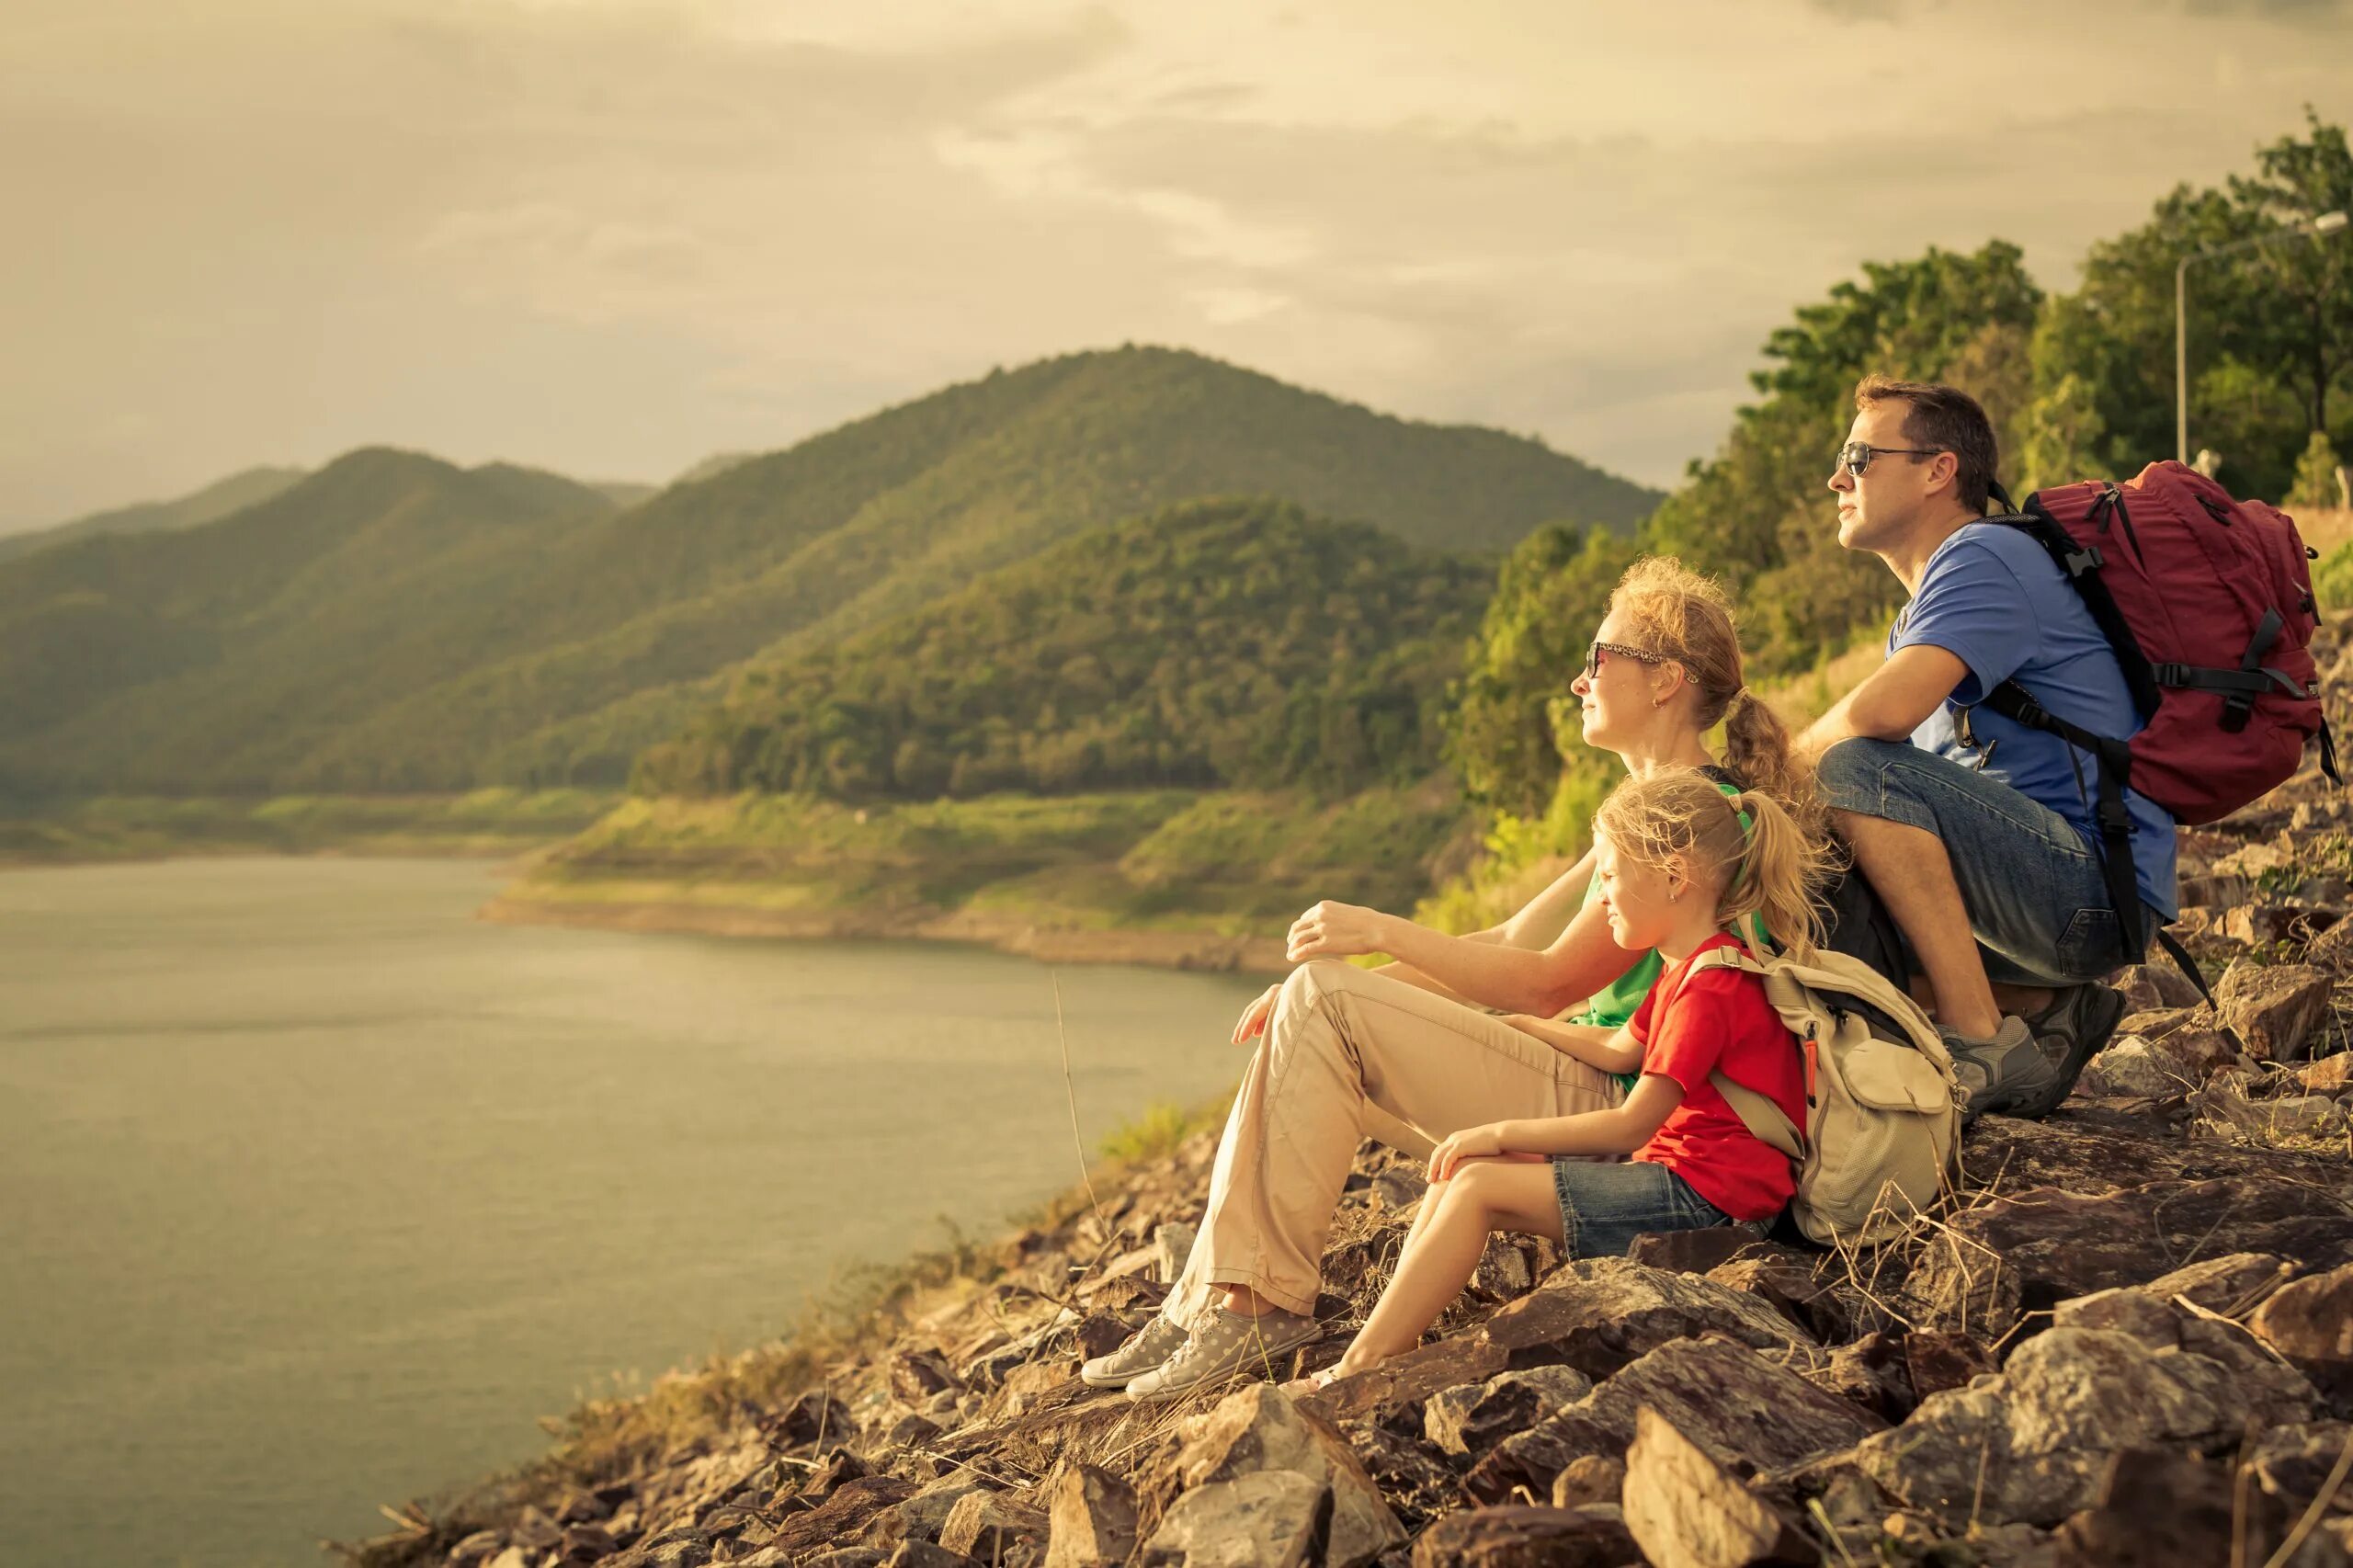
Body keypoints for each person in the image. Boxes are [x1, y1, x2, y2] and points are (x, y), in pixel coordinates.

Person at [1079, 557, 1820, 1402]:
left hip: (1628, 1122)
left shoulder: (1688, 824)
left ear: (1666, 683)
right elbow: (1506, 935)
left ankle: (1254, 1305)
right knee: (1308, 1014)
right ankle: (1209, 1296)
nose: (1580, 680)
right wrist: (1353, 984)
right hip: (1596, 1084)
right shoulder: (1650, 809)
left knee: (1321, 999)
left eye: (1599, 656)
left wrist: (1371, 938)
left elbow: (1542, 982)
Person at [1290, 767, 1825, 1388]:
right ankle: (1385, 1340)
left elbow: (1633, 1120)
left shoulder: (1711, 988)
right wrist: (1525, 1026)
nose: (1599, 897)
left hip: (1710, 1203)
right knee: (1464, 1172)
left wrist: (1495, 1131)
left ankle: (1360, 1369)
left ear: (1675, 877)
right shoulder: (1691, 967)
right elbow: (1622, 1049)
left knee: (1475, 1185)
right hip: (1683, 1179)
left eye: (1609, 875)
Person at [1802, 375, 2150, 1119]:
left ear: (1938, 470)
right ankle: (2042, 1009)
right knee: (1811, 902)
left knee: (1851, 768)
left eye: (1858, 457)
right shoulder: (1924, 608)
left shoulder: (1984, 557)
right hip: (2028, 905)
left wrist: (1773, 767)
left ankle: (1980, 1039)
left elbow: (1879, 718)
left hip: (2083, 892)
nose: (1837, 477)